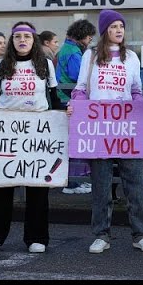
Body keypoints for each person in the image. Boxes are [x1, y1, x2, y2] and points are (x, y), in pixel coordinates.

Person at [68, 9, 143, 254]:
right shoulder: (91, 55)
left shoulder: (131, 57)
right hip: (99, 129)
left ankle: (141, 234)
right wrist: (75, 105)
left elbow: (137, 89)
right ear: (104, 29)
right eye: (114, 26)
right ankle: (101, 235)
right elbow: (81, 88)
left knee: (136, 183)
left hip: (127, 128)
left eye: (122, 26)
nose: (119, 30)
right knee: (101, 185)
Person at [0, 21, 60, 254]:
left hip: (38, 131)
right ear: (12, 41)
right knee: (0, 184)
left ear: (33, 40)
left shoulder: (44, 64)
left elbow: (53, 96)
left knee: (37, 187)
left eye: (27, 36)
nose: (22, 40)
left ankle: (37, 237)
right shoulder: (1, 64)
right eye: (17, 37)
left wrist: (64, 114)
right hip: (5, 131)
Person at [56, 19, 96, 195]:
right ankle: (74, 182)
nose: (90, 41)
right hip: (71, 99)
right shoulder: (74, 52)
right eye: (89, 37)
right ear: (82, 36)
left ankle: (73, 180)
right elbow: (79, 75)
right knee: (78, 141)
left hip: (63, 98)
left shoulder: (65, 49)